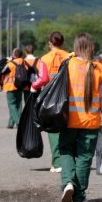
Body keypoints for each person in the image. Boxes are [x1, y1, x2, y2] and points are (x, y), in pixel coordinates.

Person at [57, 33, 102, 202]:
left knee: (66, 151)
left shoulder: (67, 65)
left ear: (76, 47)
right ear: (91, 48)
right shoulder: (97, 69)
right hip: (91, 123)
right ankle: (79, 195)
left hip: (69, 121)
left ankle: (68, 183)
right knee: (84, 157)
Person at [31, 31, 69, 173]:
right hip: (67, 96)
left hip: (50, 97)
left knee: (53, 130)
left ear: (50, 43)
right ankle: (68, 160)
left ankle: (57, 163)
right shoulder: (69, 57)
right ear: (62, 43)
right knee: (66, 128)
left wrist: (33, 87)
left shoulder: (44, 59)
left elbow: (43, 79)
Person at [3, 48, 24, 129]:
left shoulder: (9, 64)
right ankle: (10, 123)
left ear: (14, 55)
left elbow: (2, 72)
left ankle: (18, 122)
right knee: (18, 105)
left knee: (12, 105)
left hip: (10, 86)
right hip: (20, 86)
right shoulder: (23, 62)